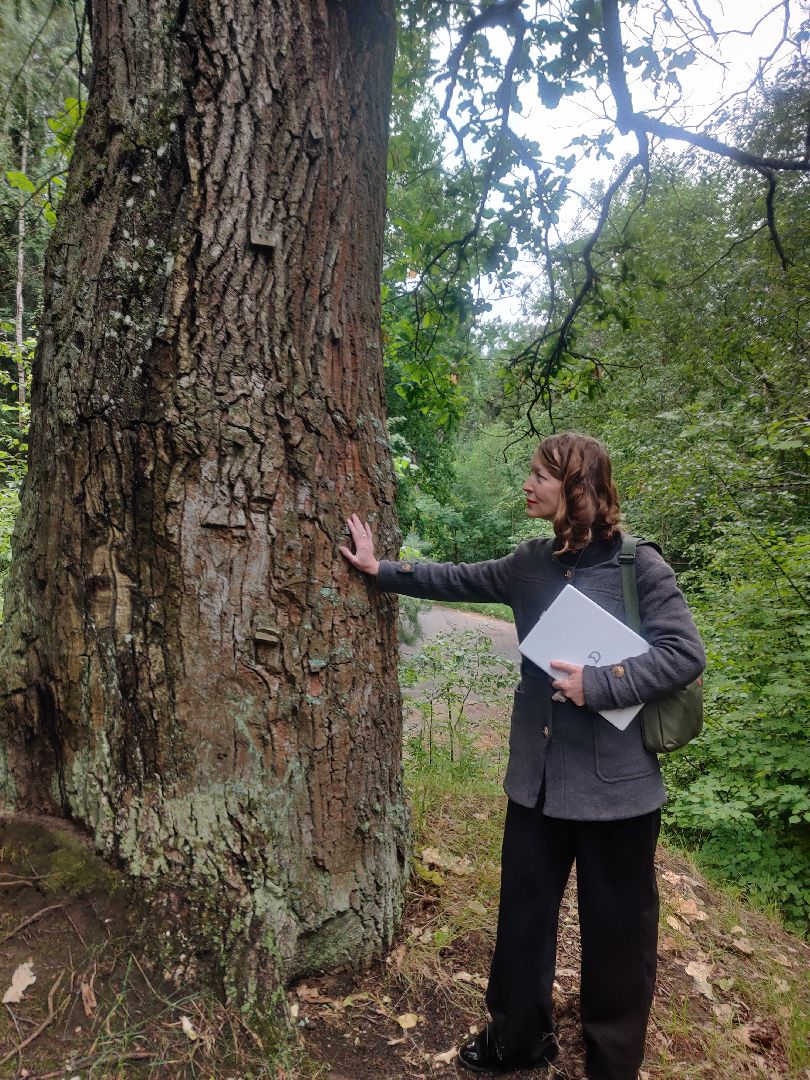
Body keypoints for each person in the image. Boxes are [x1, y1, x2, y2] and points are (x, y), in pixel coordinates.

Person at [340, 431, 706, 1080]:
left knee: (620, 939)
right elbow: (457, 578)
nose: (528, 484)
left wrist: (601, 685)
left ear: (580, 489)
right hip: (536, 786)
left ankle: (612, 1060)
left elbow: (684, 656)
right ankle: (517, 1041)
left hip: (618, 792)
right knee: (522, 924)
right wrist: (381, 569)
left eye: (541, 475)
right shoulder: (529, 564)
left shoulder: (638, 567)